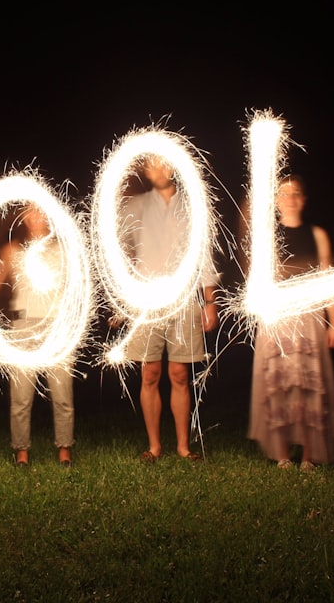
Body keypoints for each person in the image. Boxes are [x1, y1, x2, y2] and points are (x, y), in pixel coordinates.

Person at [119, 155, 219, 462]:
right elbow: (118, 252)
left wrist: (210, 301)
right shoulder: (134, 207)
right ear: (146, 171)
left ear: (173, 166)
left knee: (179, 374)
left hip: (185, 299)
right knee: (149, 373)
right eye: (151, 165)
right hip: (147, 301)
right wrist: (124, 296)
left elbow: (204, 256)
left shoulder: (193, 207)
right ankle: (154, 446)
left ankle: (183, 447)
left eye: (163, 163)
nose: (158, 169)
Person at [246, 174, 334, 470]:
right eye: (284, 193)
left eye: (296, 193)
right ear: (275, 200)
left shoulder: (318, 235)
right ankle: (283, 455)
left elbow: (329, 282)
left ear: (304, 200)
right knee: (279, 385)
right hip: (277, 319)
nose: (290, 198)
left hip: (308, 318)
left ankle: (308, 456)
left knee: (306, 385)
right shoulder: (266, 238)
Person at [0, 203, 75, 467]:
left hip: (56, 328)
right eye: (31, 211)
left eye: (41, 210)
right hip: (23, 328)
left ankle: (64, 449)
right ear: (24, 218)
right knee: (21, 395)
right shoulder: (12, 251)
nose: (37, 215)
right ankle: (22, 451)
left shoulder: (64, 251)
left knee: (62, 394)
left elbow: (78, 289)